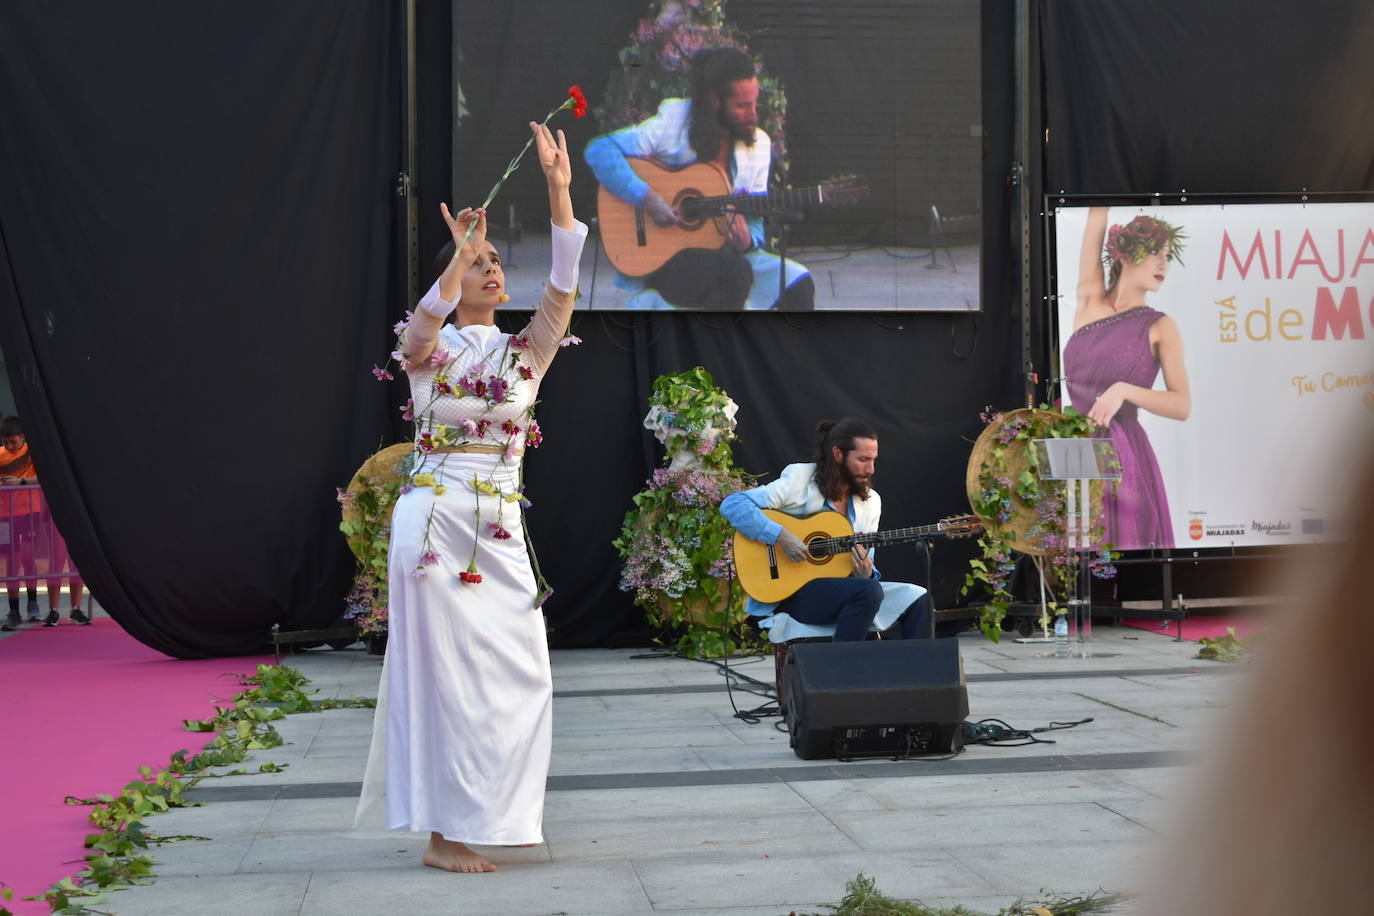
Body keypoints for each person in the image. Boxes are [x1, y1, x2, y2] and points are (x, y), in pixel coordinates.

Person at [355, 122, 586, 874]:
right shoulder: (430, 351)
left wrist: (559, 193)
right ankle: (442, 835)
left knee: (525, 673)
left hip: (499, 531)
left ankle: (498, 812)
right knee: (442, 677)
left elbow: (562, 288)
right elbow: (421, 325)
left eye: (491, 261)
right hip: (434, 524)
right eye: (474, 262)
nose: (489, 269)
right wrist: (453, 259)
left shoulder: (528, 352)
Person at [585, 46, 815, 311]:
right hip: (665, 258)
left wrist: (748, 240)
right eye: (742, 106)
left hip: (728, 258)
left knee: (798, 284)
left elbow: (754, 215)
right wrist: (647, 197)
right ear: (714, 100)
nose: (753, 114)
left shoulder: (758, 145)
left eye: (755, 103)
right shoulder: (675, 121)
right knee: (734, 273)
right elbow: (600, 150)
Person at [719, 417, 930, 642]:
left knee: (919, 598)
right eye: (863, 459)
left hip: (847, 593)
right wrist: (779, 535)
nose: (871, 469)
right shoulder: (800, 479)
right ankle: (840, 669)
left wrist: (866, 573)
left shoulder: (871, 502)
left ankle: (919, 675)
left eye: (873, 460)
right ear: (838, 454)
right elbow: (733, 504)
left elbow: (866, 570)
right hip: (789, 593)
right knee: (867, 593)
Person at [1063, 207, 1190, 549]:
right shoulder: (1090, 299)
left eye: (1168, 256)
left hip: (1126, 453)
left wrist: (1124, 390)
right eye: (1154, 253)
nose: (1164, 264)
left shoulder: (1162, 325)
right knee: (1073, 554)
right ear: (1125, 254)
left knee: (1123, 560)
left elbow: (1181, 405)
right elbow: (1096, 216)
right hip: (1074, 442)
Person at [0, 416, 40, 629]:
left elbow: (44, 477)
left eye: (12, 442)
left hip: (29, 513)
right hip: (5, 516)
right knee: (11, 563)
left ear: (22, 436)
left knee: (27, 557)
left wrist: (21, 482)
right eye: (5, 442)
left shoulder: (32, 453)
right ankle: (13, 610)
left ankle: (33, 603)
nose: (8, 446)